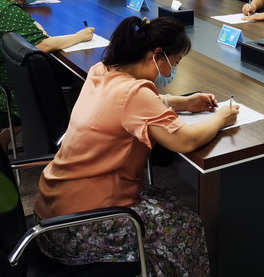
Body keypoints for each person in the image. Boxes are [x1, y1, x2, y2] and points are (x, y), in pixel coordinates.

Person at [34, 15, 239, 276]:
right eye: (175, 63)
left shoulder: (102, 70)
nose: (172, 72)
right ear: (157, 55)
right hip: (78, 228)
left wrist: (181, 102)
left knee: (166, 203)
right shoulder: (135, 94)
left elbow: (131, 106)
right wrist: (221, 118)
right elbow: (184, 140)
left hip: (51, 215)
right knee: (185, 227)